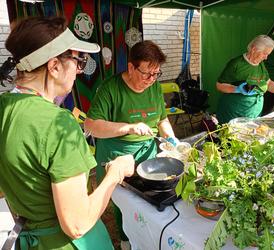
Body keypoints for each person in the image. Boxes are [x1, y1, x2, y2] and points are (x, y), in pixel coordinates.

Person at [0, 16, 135, 250]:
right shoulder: (57, 124)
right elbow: (77, 224)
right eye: (78, 60)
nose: (79, 70)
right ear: (54, 66)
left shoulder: (5, 106)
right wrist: (116, 172)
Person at [84, 40, 178, 249]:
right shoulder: (110, 88)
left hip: (149, 152)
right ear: (130, 67)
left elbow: (162, 119)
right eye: (146, 73)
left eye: (156, 74)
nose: (151, 80)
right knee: (123, 203)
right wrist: (128, 127)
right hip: (117, 153)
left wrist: (172, 140)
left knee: (149, 198)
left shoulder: (153, 87)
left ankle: (148, 238)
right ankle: (126, 241)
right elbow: (91, 125)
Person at [216, 35, 274, 124]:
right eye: (265, 54)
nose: (266, 58)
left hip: (253, 112)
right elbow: (219, 85)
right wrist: (237, 89)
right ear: (254, 49)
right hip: (234, 112)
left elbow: (268, 84)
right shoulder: (236, 64)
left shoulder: (260, 64)